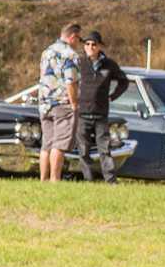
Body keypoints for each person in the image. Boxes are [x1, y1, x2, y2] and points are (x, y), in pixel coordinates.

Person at [76, 31, 131, 184]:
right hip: (82, 114)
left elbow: (124, 82)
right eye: (87, 44)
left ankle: (111, 181)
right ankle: (88, 181)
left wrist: (112, 96)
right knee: (83, 151)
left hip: (101, 115)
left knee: (104, 150)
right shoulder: (79, 63)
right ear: (84, 46)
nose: (90, 47)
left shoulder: (109, 64)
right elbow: (68, 82)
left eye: (94, 44)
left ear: (99, 46)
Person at [37, 22, 84, 183]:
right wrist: (74, 103)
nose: (79, 43)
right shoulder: (70, 54)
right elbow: (70, 81)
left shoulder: (46, 52)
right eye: (79, 39)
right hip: (62, 103)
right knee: (59, 144)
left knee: (46, 144)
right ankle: (54, 179)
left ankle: (43, 179)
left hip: (44, 103)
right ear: (73, 37)